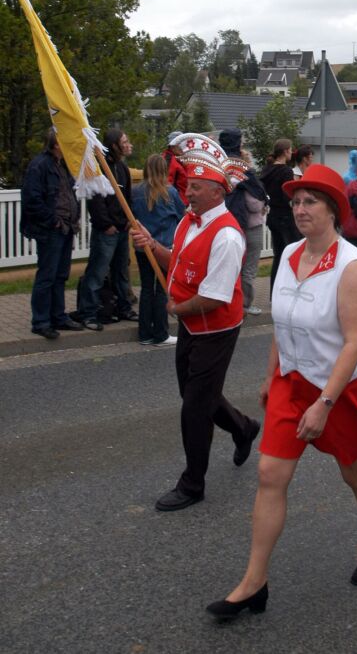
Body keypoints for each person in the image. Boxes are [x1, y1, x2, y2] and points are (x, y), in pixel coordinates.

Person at [206, 164, 357, 620]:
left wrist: (324, 403)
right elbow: (283, 321)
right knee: (270, 476)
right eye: (295, 202)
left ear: (334, 210)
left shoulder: (352, 267)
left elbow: (354, 341)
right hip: (291, 383)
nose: (299, 209)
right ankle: (254, 583)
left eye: (310, 201)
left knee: (355, 476)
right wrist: (271, 374)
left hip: (341, 388)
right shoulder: (290, 254)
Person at [132, 134, 260, 511]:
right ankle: (243, 427)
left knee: (194, 407)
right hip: (193, 323)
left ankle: (193, 484)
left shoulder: (227, 236)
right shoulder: (191, 221)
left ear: (218, 192)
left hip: (216, 328)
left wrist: (175, 309)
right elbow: (179, 261)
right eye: (188, 185)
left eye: (197, 187)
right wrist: (152, 246)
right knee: (194, 393)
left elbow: (215, 297)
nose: (188, 192)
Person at [20, 129, 83, 339]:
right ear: (56, 145)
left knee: (60, 275)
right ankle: (41, 321)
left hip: (65, 228)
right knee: (47, 275)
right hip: (52, 230)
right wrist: (53, 221)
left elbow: (69, 194)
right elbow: (32, 200)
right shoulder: (39, 166)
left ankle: (58, 316)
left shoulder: (62, 166)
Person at [77, 129, 137, 330]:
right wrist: (106, 224)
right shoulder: (99, 168)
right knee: (97, 271)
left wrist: (129, 219)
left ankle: (124, 307)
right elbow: (96, 199)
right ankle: (89, 313)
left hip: (122, 229)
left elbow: (127, 196)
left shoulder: (122, 168)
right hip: (107, 231)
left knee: (121, 271)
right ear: (114, 145)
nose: (129, 145)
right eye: (125, 141)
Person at [131, 154, 185, 346]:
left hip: (142, 247)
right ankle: (161, 333)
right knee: (162, 287)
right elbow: (181, 216)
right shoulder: (170, 193)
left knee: (146, 288)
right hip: (163, 247)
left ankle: (144, 333)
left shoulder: (136, 192)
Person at [218, 129, 268, 316]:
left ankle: (226, 301)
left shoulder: (217, 166)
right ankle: (244, 304)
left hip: (223, 223)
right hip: (248, 225)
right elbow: (255, 203)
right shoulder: (244, 170)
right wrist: (264, 202)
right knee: (248, 267)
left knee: (228, 264)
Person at [260, 138, 299, 293]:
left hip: (272, 215)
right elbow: (288, 195)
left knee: (277, 255)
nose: (291, 153)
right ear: (285, 152)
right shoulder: (286, 171)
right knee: (293, 253)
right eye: (290, 150)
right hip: (285, 216)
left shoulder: (266, 170)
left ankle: (273, 292)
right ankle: (292, 289)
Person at [162, 131, 188, 205]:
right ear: (172, 146)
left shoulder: (177, 159)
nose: (183, 147)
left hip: (181, 203)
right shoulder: (168, 160)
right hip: (176, 204)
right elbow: (166, 184)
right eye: (180, 144)